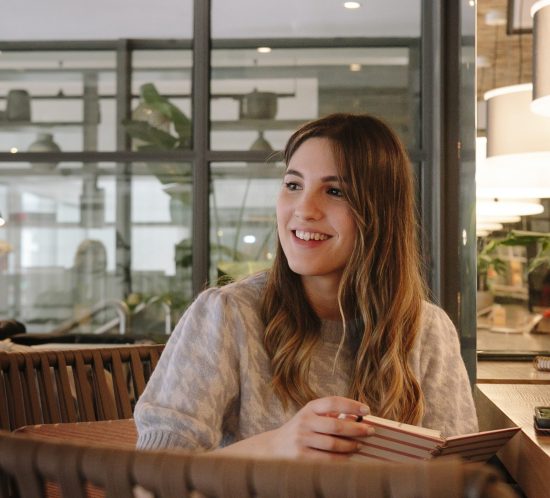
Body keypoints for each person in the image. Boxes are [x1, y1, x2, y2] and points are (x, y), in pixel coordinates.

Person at [134, 113, 478, 459]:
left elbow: (458, 471)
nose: (304, 209)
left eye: (335, 191)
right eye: (293, 185)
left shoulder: (428, 329)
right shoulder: (226, 314)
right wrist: (275, 446)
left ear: (381, 213)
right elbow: (151, 478)